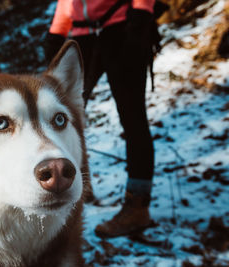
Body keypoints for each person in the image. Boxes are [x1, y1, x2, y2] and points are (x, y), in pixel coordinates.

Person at [44, 0, 155, 238]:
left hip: (122, 28)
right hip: (82, 36)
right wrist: (57, 32)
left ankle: (137, 207)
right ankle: (70, 185)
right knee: (61, 117)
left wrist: (141, 16)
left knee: (133, 119)